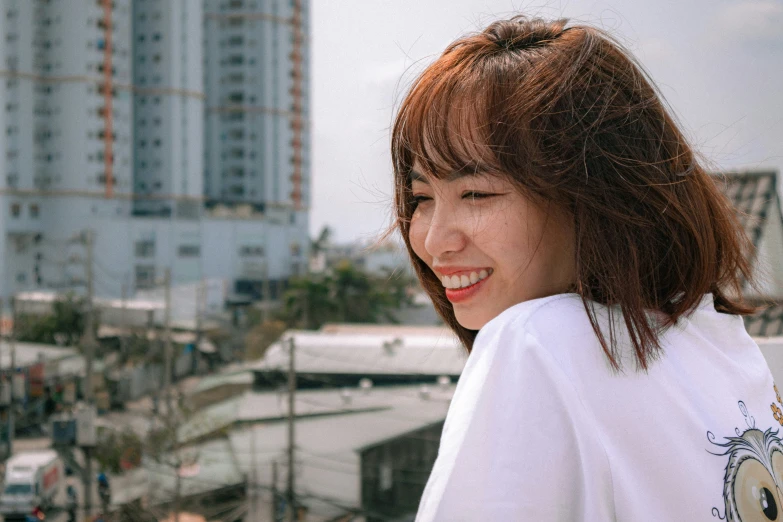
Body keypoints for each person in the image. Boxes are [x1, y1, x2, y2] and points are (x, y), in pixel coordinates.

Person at [391, 15, 775, 521]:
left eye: (476, 193)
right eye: (421, 197)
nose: (434, 239)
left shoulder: (534, 342)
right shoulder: (723, 347)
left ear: (593, 196)